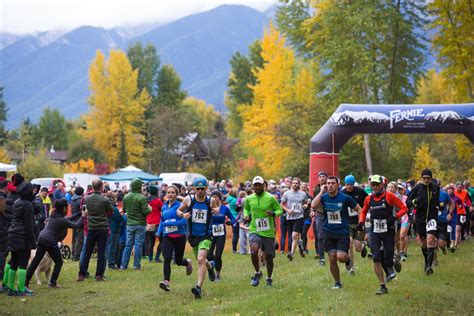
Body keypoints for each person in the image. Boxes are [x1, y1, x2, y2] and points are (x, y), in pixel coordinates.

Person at [358, 175, 408, 295]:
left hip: (388, 230)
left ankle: (393, 259)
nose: (374, 187)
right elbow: (364, 211)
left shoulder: (389, 196)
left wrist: (395, 217)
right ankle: (382, 285)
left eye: (376, 184)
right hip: (375, 230)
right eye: (372, 185)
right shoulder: (368, 199)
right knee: (376, 257)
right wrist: (361, 222)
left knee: (388, 259)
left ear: (382, 185)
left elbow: (404, 208)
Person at [310, 176, 361, 290]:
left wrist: (360, 222)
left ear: (338, 185)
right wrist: (321, 192)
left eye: (333, 183)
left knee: (341, 257)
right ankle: (337, 282)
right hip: (328, 232)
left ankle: (348, 260)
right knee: (332, 258)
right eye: (328, 183)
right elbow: (313, 205)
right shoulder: (323, 197)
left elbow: (359, 209)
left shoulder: (345, 198)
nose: (330, 185)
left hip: (342, 232)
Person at [175, 177, 219, 299]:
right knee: (203, 261)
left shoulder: (210, 200)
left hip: (206, 234)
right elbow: (178, 211)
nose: (200, 191)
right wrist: (183, 214)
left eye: (202, 189)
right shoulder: (189, 200)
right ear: (194, 189)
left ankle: (198, 287)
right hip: (193, 236)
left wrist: (217, 210)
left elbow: (217, 208)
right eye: (198, 189)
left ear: (206, 189)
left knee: (200, 260)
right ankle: (211, 267)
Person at [25, 199, 83, 289]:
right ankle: (52, 283)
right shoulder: (61, 219)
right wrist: (83, 216)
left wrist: (78, 214)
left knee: (36, 260)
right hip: (50, 241)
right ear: (64, 209)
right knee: (59, 262)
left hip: (41, 238)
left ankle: (26, 281)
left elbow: (67, 219)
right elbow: (75, 226)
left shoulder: (54, 215)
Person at [244, 176, 283, 287]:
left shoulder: (270, 198)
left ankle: (269, 278)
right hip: (255, 229)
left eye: (259, 185)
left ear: (263, 185)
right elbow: (246, 208)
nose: (257, 187)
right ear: (253, 186)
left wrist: (274, 214)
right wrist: (246, 216)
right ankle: (257, 272)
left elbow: (279, 210)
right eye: (255, 185)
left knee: (269, 257)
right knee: (254, 250)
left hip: (268, 231)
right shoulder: (249, 198)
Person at [157, 185, 192, 292]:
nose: (170, 194)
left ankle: (187, 262)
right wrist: (158, 232)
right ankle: (166, 281)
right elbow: (161, 221)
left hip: (180, 236)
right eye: (168, 192)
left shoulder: (180, 206)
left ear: (176, 195)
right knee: (167, 258)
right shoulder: (164, 207)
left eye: (172, 192)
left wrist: (170, 223)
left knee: (178, 261)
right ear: (166, 194)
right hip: (168, 236)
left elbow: (184, 222)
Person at [78, 179, 113, 281]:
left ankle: (82, 274)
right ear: (101, 187)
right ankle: (99, 275)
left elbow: (84, 213)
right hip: (102, 228)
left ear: (92, 187)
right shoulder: (105, 199)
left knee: (87, 252)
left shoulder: (86, 198)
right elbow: (110, 213)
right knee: (101, 253)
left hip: (91, 228)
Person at [406, 169, 440, 276]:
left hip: (431, 218)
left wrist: (440, 205)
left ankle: (429, 266)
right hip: (420, 218)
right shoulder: (417, 188)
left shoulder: (435, 188)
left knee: (431, 240)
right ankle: (426, 261)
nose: (426, 180)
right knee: (423, 242)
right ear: (421, 178)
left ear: (431, 178)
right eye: (424, 178)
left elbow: (437, 201)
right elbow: (407, 202)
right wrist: (415, 201)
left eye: (428, 178)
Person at [6, 181, 37, 296]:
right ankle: (21, 289)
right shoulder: (27, 205)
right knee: (23, 263)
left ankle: (10, 288)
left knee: (14, 262)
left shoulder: (16, 202)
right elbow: (28, 225)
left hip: (12, 233)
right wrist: (33, 241)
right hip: (22, 235)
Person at [121, 178, 152, 270]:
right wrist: (150, 208)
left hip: (130, 224)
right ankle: (136, 265)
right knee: (138, 245)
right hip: (140, 224)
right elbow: (146, 211)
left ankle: (123, 265)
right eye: (141, 185)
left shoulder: (126, 197)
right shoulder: (142, 197)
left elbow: (124, 210)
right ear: (139, 186)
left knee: (128, 245)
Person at [341, 175, 368, 274]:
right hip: (347, 223)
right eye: (347, 184)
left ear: (354, 184)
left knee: (357, 248)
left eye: (351, 185)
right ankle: (351, 267)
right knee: (349, 245)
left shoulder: (360, 192)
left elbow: (368, 201)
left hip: (359, 223)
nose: (349, 187)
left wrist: (365, 212)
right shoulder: (342, 193)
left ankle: (363, 246)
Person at [207, 190, 236, 281]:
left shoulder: (224, 208)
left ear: (219, 198)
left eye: (216, 197)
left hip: (220, 234)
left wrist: (229, 222)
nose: (214, 199)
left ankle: (218, 275)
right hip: (210, 233)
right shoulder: (207, 208)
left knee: (218, 255)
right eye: (213, 197)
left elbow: (233, 219)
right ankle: (210, 268)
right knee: (209, 255)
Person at [281, 177, 310, 261]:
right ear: (291, 184)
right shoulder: (286, 193)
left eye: (296, 183)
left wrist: (304, 206)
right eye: (293, 183)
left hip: (299, 217)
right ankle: (300, 244)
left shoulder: (302, 194)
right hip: (289, 217)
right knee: (293, 236)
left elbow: (306, 203)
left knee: (294, 235)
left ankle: (291, 254)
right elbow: (282, 204)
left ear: (299, 184)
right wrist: (288, 210)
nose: (295, 184)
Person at [106, 192, 125, 270]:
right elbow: (119, 219)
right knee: (112, 247)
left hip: (109, 228)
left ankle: (111, 263)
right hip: (114, 229)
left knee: (111, 246)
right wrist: (123, 216)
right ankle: (111, 264)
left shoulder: (107, 206)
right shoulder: (113, 207)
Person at [312, 171, 328, 265]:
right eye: (320, 177)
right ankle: (321, 258)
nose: (322, 178)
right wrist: (312, 211)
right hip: (320, 214)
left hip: (330, 214)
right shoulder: (316, 189)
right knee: (320, 236)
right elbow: (315, 201)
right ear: (318, 179)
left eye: (323, 176)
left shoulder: (331, 186)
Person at [146, 186, 163, 263]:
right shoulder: (158, 201)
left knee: (151, 242)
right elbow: (163, 209)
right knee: (162, 241)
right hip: (157, 224)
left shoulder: (146, 200)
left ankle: (150, 259)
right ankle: (156, 258)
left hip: (149, 224)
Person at [70, 186, 84, 261]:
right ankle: (76, 256)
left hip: (73, 220)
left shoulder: (72, 199)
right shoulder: (80, 200)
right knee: (79, 239)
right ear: (82, 192)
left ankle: (73, 254)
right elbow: (83, 211)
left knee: (74, 239)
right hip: (79, 221)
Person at [226, 188, 239, 254]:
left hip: (232, 217)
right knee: (236, 234)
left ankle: (234, 249)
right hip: (236, 217)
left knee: (235, 234)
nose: (237, 193)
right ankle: (234, 249)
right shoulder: (234, 200)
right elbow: (238, 207)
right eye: (236, 192)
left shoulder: (229, 198)